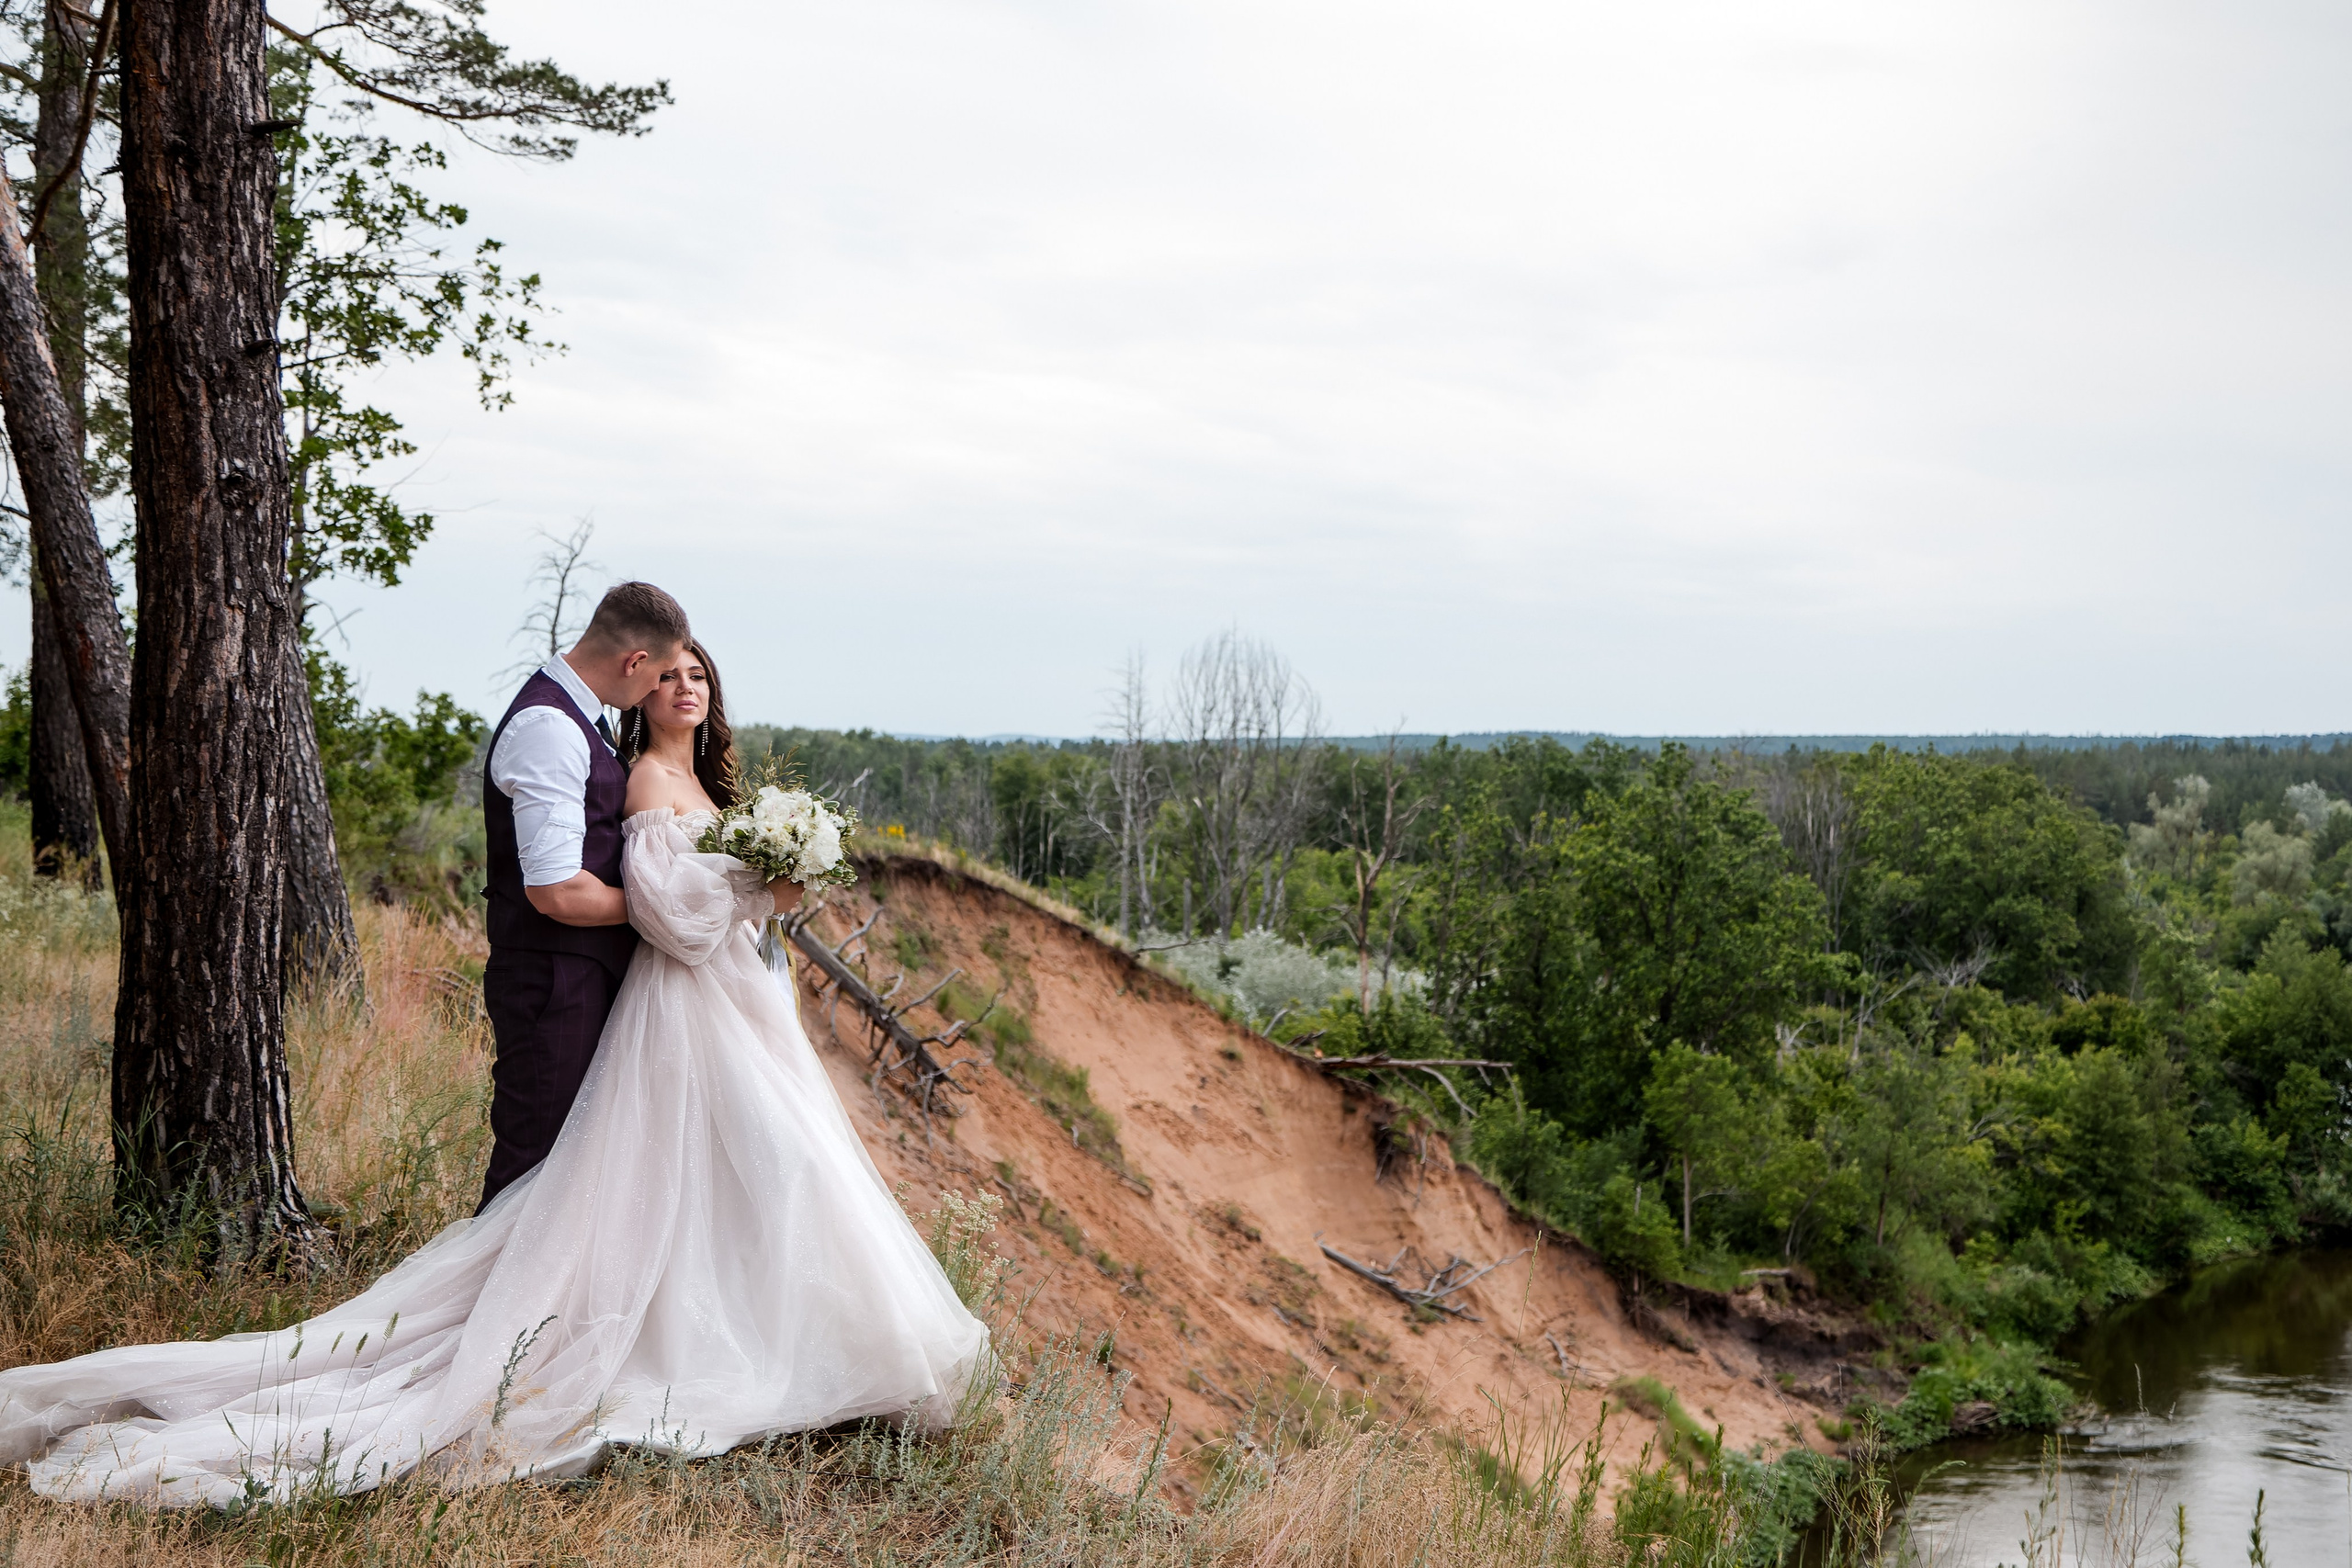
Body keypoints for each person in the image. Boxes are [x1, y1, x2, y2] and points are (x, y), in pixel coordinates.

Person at [0, 639, 990, 1506]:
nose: (685, 689)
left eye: (699, 676)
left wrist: (775, 883)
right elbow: (676, 922)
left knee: (771, 1173)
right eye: (669, 676)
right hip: (690, 1013)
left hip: (747, 1006)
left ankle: (803, 1345)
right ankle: (723, 1354)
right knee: (746, 1167)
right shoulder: (646, 780)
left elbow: (723, 909)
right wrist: (751, 888)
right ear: (638, 691)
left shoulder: (716, 790)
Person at [479, 581, 690, 1210]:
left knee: (570, 1170)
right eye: (658, 675)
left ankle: (540, 1306)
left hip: (577, 975)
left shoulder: (584, 719)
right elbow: (556, 892)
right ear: (635, 662)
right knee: (534, 1162)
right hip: (551, 980)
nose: (657, 692)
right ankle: (488, 1307)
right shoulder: (549, 728)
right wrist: (666, 906)